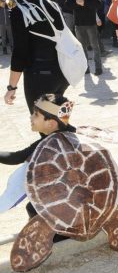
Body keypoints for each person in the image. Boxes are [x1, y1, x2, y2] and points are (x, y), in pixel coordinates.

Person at [0, 94, 75, 242]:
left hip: (65, 205)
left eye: (36, 114)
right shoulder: (70, 133)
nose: (31, 117)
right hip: (75, 198)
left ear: (51, 124)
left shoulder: (50, 143)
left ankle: (54, 237)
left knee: (34, 207)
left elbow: (16, 157)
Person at [4, 0, 69, 113]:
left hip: (40, 76)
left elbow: (20, 51)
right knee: (57, 122)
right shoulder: (51, 5)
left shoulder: (20, 12)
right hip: (61, 73)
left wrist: (11, 87)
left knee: (44, 125)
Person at [65, 0, 103, 75]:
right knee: (82, 48)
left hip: (90, 23)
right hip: (78, 24)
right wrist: (77, 4)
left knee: (95, 46)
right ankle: (85, 68)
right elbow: (67, 5)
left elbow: (98, 4)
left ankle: (98, 68)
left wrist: (84, 3)